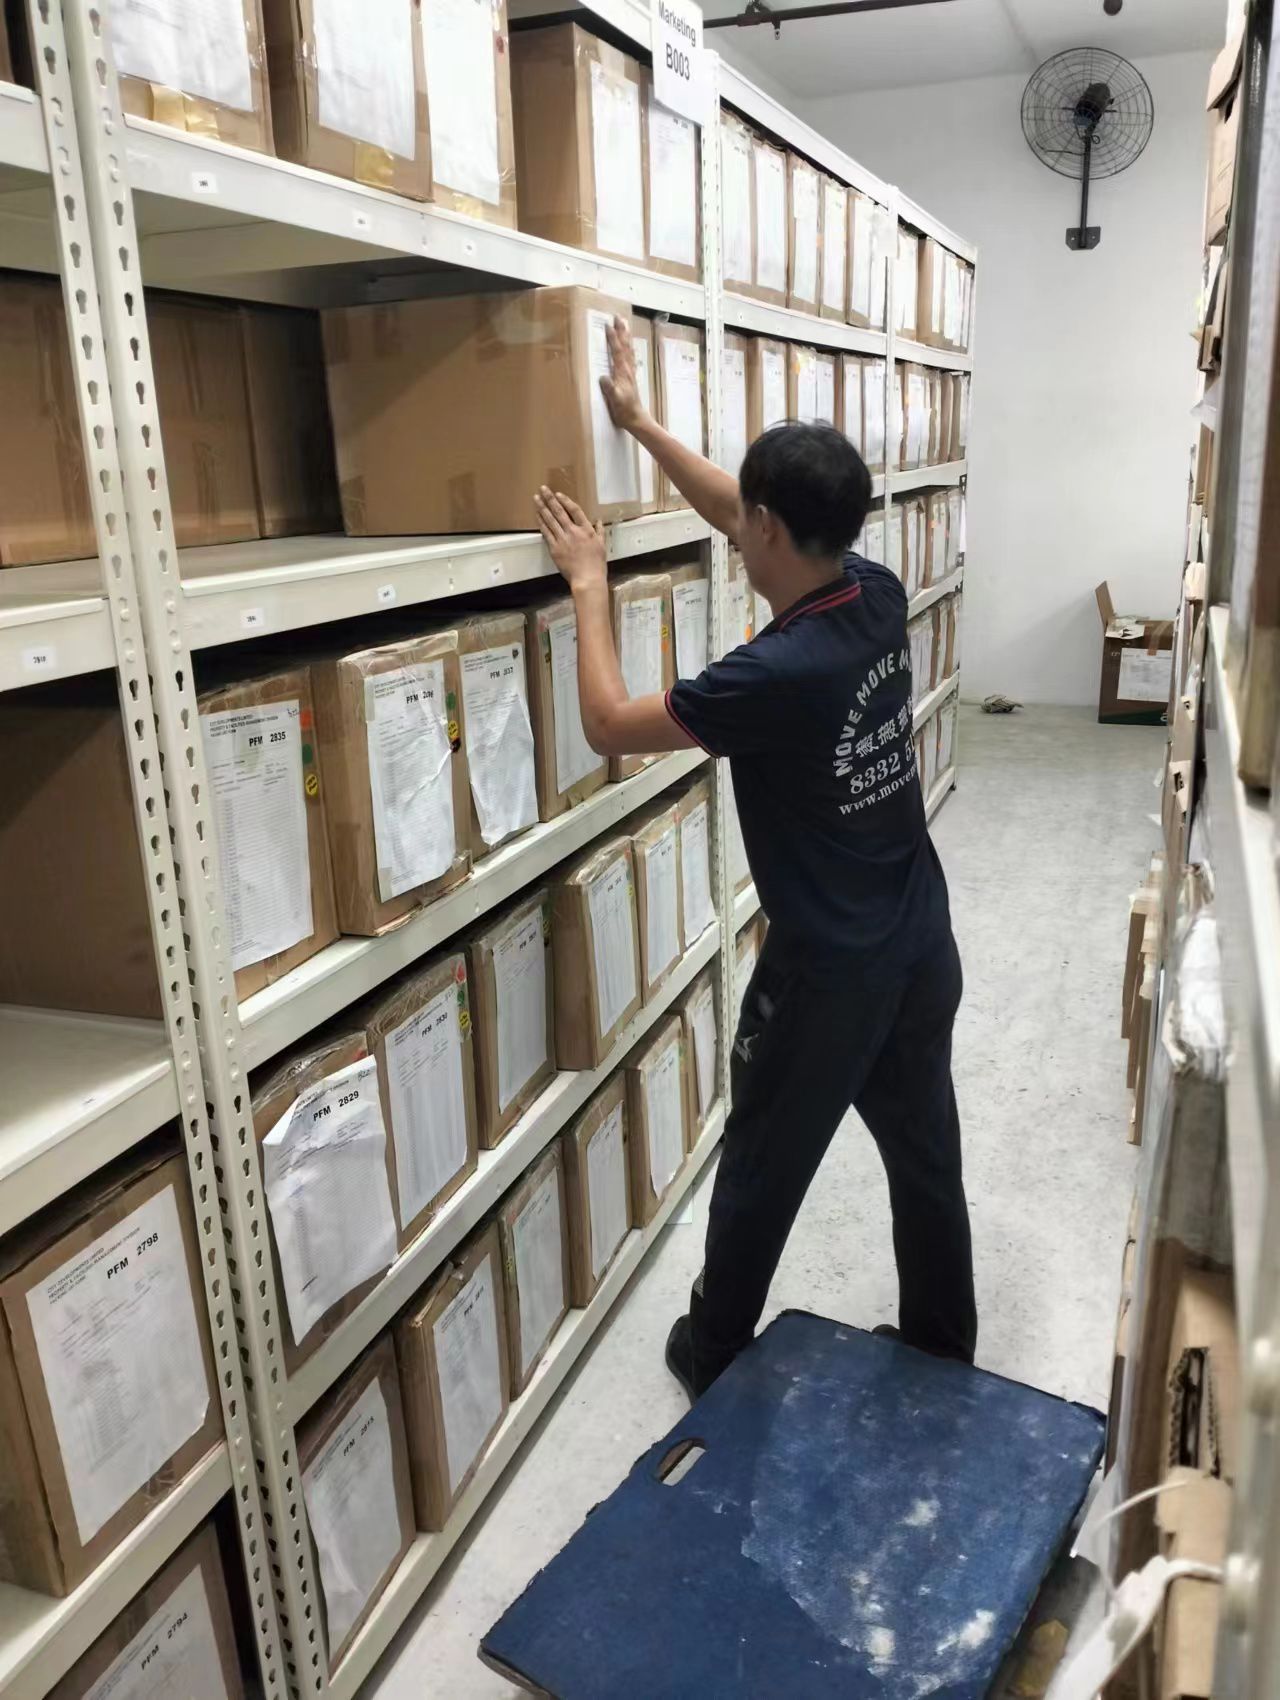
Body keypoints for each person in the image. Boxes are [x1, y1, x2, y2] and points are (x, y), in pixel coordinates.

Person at [533, 315, 976, 1401]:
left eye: (748, 520)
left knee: (763, 1158)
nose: (735, 530)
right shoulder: (867, 591)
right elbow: (733, 506)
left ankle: (715, 1347)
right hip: (917, 933)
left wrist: (589, 584)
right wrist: (637, 425)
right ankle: (938, 1342)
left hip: (826, 968)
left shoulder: (769, 675)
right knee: (924, 1148)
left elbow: (604, 722)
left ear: (775, 529)